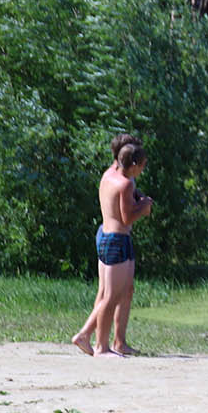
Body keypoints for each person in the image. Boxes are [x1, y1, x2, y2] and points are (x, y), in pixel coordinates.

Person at [71, 139, 153, 357]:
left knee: (124, 291)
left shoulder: (112, 174)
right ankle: (97, 343)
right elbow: (127, 218)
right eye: (143, 164)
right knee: (111, 296)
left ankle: (118, 343)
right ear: (133, 163)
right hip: (115, 239)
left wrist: (138, 200)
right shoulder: (124, 183)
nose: (143, 169)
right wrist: (143, 208)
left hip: (111, 237)